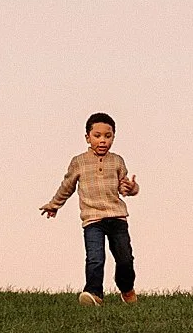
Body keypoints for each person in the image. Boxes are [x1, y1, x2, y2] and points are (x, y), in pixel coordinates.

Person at [40, 111, 141, 305]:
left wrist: (131, 188)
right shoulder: (79, 162)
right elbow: (67, 186)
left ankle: (127, 289)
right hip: (92, 220)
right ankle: (94, 294)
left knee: (125, 258)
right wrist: (54, 205)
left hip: (117, 217)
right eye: (97, 136)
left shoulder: (117, 161)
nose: (102, 140)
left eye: (108, 136)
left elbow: (124, 187)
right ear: (87, 137)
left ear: (113, 137)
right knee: (95, 258)